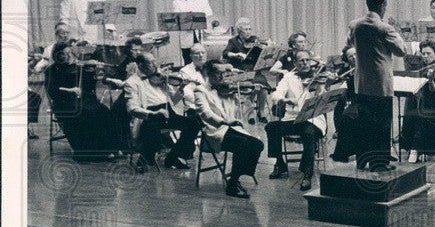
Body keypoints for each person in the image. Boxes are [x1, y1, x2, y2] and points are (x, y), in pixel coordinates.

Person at [347, 0, 409, 172]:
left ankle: (361, 160)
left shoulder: (355, 24)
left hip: (362, 82)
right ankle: (378, 163)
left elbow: (349, 44)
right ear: (382, 6)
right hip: (380, 84)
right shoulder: (384, 28)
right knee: (381, 124)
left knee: (363, 123)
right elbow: (401, 51)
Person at [193, 60, 265, 197]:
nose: (222, 77)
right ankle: (233, 184)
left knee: (258, 144)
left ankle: (238, 174)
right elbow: (205, 113)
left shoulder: (227, 89)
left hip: (232, 129)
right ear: (208, 73)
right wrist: (225, 122)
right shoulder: (200, 90)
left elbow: (242, 113)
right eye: (218, 73)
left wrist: (251, 95)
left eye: (224, 73)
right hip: (215, 131)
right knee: (242, 144)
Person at [44, 40, 123, 161]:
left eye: (70, 53)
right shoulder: (51, 70)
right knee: (84, 114)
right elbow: (52, 90)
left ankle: (110, 148)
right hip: (63, 103)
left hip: (84, 100)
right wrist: (70, 90)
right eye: (64, 54)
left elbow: (88, 86)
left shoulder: (78, 67)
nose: (69, 56)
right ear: (57, 55)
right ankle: (88, 153)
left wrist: (93, 73)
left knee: (105, 112)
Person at [123, 53, 200, 171]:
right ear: (140, 65)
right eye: (150, 63)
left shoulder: (161, 78)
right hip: (150, 114)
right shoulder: (132, 82)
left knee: (195, 123)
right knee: (150, 127)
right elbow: (132, 108)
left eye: (155, 62)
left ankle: (173, 157)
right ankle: (144, 159)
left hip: (168, 111)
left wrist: (181, 87)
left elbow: (174, 100)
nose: (155, 66)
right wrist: (153, 113)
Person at [264, 50, 327, 191]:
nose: (305, 63)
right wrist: (285, 100)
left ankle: (307, 173)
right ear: (295, 63)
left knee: (308, 132)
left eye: (307, 60)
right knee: (271, 127)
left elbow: (323, 101)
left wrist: (321, 87)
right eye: (301, 61)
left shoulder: (318, 77)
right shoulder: (288, 77)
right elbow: (275, 95)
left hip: (313, 119)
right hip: (292, 118)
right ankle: (280, 163)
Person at [399, 40, 435, 162]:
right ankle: (412, 147)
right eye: (423, 54)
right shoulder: (419, 67)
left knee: (419, 115)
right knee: (409, 114)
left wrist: (431, 80)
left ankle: (417, 149)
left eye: (429, 53)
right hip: (422, 102)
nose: (426, 56)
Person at [330, 45, 362, 163]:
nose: (354, 58)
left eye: (355, 54)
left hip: (367, 100)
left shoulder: (367, 67)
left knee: (348, 117)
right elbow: (334, 81)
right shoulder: (346, 71)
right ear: (347, 59)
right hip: (355, 101)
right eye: (350, 56)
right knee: (343, 113)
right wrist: (331, 79)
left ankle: (345, 152)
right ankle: (343, 152)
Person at [171, 0, 214, 64]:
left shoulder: (203, 0)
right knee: (188, 61)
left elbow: (209, 16)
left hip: (202, 36)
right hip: (187, 37)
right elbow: (178, 18)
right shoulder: (176, 3)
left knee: (204, 61)